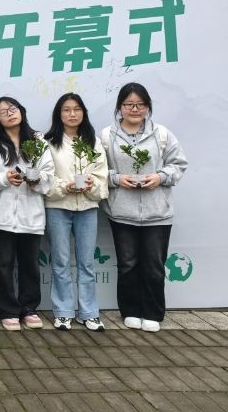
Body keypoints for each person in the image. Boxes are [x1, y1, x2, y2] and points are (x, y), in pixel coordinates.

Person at [100, 83, 187, 332]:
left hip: (158, 212)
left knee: (154, 265)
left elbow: (179, 164)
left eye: (140, 104)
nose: (135, 109)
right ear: (120, 107)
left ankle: (152, 312)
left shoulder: (162, 134)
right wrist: (117, 179)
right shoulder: (107, 136)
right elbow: (97, 170)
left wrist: (160, 177)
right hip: (122, 212)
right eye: (129, 104)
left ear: (148, 107)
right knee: (127, 264)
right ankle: (130, 310)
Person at [0, 97, 54, 331]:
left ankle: (29, 308)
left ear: (22, 111)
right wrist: (4, 178)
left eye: (13, 108)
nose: (10, 113)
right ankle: (7, 310)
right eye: (3, 111)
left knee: (30, 264)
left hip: (31, 214)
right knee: (3, 265)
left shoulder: (37, 141)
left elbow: (49, 175)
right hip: (2, 215)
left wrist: (36, 180)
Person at [44, 93, 108, 331]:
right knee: (60, 261)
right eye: (66, 110)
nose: (72, 114)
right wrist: (64, 187)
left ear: (84, 112)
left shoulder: (93, 142)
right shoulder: (49, 142)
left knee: (86, 262)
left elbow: (102, 174)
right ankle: (63, 312)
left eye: (77, 109)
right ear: (58, 114)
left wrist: (92, 185)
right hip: (58, 207)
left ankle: (89, 313)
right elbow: (45, 178)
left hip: (87, 207)